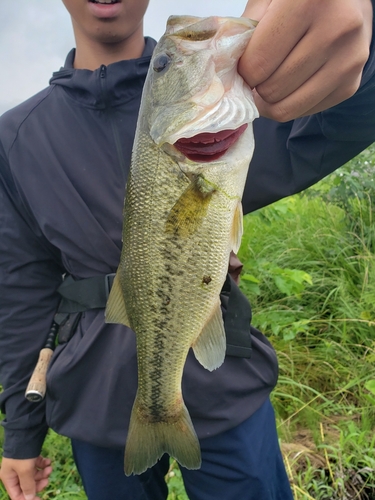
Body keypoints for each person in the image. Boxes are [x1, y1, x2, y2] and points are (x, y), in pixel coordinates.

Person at [0, 0, 373, 499]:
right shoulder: (15, 139)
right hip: (95, 395)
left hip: (226, 385)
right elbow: (21, 293)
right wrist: (21, 433)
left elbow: (343, 114)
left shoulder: (228, 110)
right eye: (168, 66)